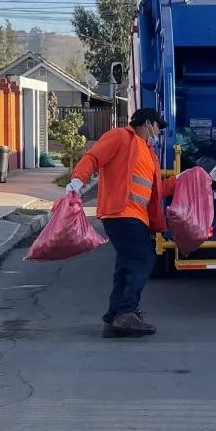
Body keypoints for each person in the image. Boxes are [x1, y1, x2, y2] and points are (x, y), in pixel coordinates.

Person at [67, 108, 178, 339]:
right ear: (147, 123)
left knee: (127, 264)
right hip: (120, 213)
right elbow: (93, 157)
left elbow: (155, 192)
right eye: (158, 127)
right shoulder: (120, 137)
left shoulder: (149, 154)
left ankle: (115, 317)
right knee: (142, 258)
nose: (158, 133)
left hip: (135, 217)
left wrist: (180, 181)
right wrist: (77, 180)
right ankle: (125, 313)